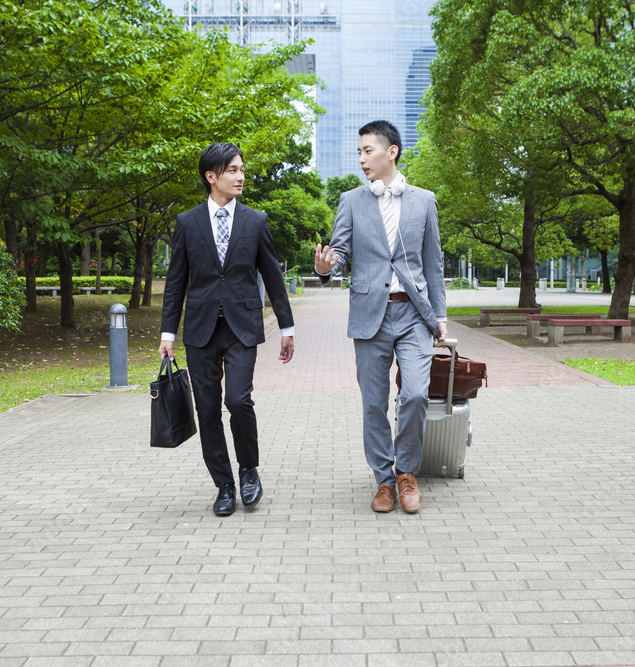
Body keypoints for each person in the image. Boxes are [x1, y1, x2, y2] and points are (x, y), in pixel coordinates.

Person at [314, 120, 447, 513]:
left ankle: (407, 472)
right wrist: (325, 267)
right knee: (374, 403)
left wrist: (440, 314)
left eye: (367, 150)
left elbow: (433, 264)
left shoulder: (424, 200)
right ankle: (384, 482)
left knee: (416, 394)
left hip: (414, 314)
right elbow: (338, 254)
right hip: (370, 313)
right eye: (358, 152)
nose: (361, 159)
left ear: (391, 151)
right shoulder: (351, 201)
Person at [160, 142, 295, 517]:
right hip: (201, 328)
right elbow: (176, 282)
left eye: (241, 168)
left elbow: (271, 275)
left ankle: (249, 471)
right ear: (211, 177)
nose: (240, 176)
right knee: (207, 410)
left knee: (237, 400)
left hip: (241, 326)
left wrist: (287, 327)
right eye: (232, 170)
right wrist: (167, 334)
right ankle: (223, 485)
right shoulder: (187, 223)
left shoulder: (256, 220)